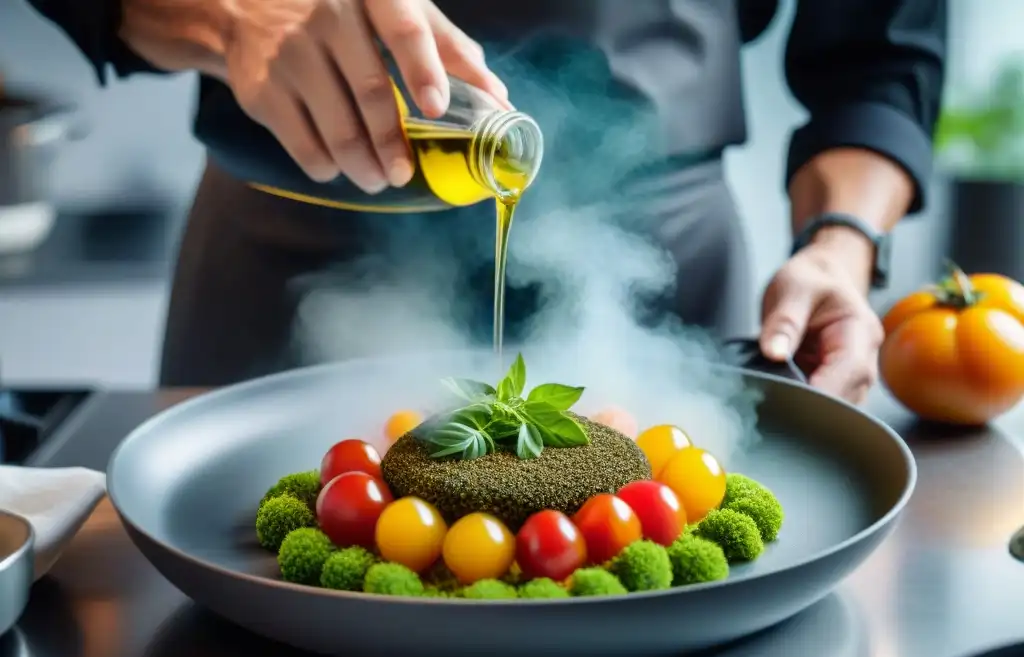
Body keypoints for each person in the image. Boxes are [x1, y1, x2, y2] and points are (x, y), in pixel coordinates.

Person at [28, 0, 946, 403]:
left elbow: (879, 44)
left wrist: (840, 243)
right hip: (287, 244)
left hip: (660, 275)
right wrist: (228, 12)